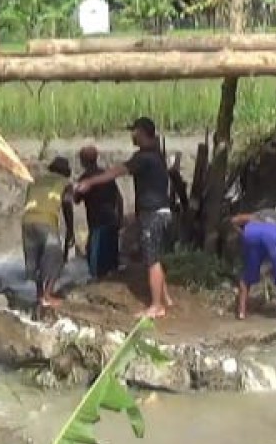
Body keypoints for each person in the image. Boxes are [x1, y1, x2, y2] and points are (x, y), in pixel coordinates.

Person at [75, 117, 174, 319]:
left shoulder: (143, 156)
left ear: (142, 132)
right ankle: (166, 299)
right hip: (162, 213)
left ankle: (156, 306)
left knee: (152, 260)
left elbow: (117, 171)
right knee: (156, 257)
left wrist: (90, 182)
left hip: (152, 214)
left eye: (134, 131)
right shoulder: (157, 155)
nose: (131, 135)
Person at [22, 157, 75, 308]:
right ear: (66, 172)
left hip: (27, 222)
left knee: (36, 260)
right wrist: (70, 232)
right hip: (46, 221)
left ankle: (39, 296)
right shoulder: (65, 183)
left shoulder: (35, 181)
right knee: (55, 257)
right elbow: (67, 208)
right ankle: (48, 296)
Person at [75, 145, 123, 279]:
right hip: (112, 219)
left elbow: (76, 199)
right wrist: (120, 217)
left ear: (82, 161)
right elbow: (119, 198)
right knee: (111, 256)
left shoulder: (85, 178)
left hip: (97, 222)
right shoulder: (106, 175)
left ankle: (96, 283)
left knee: (95, 257)